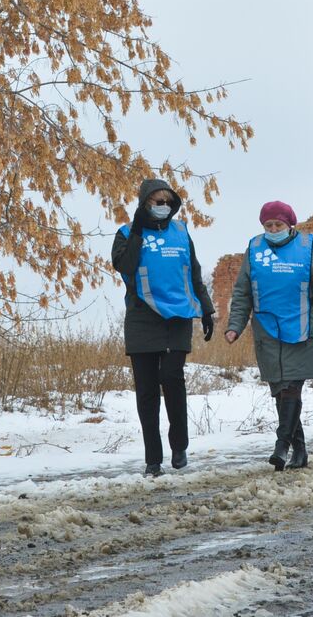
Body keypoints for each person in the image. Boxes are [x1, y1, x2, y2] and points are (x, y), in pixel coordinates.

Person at [110, 178, 216, 477]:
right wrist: (138, 230)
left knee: (172, 378)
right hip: (143, 318)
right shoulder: (126, 234)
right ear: (145, 204)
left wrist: (206, 309)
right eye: (158, 202)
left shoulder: (181, 232)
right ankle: (152, 459)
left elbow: (194, 273)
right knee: (146, 391)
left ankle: (179, 445)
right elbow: (126, 266)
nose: (164, 207)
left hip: (177, 317)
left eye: (169, 202)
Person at [224, 201, 313, 470]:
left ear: (290, 225)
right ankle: (299, 450)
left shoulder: (307, 247)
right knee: (280, 390)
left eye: (278, 224)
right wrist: (235, 326)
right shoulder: (254, 249)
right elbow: (243, 292)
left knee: (291, 388)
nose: (273, 229)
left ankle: (282, 445)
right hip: (267, 330)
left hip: (301, 328)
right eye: (268, 225)